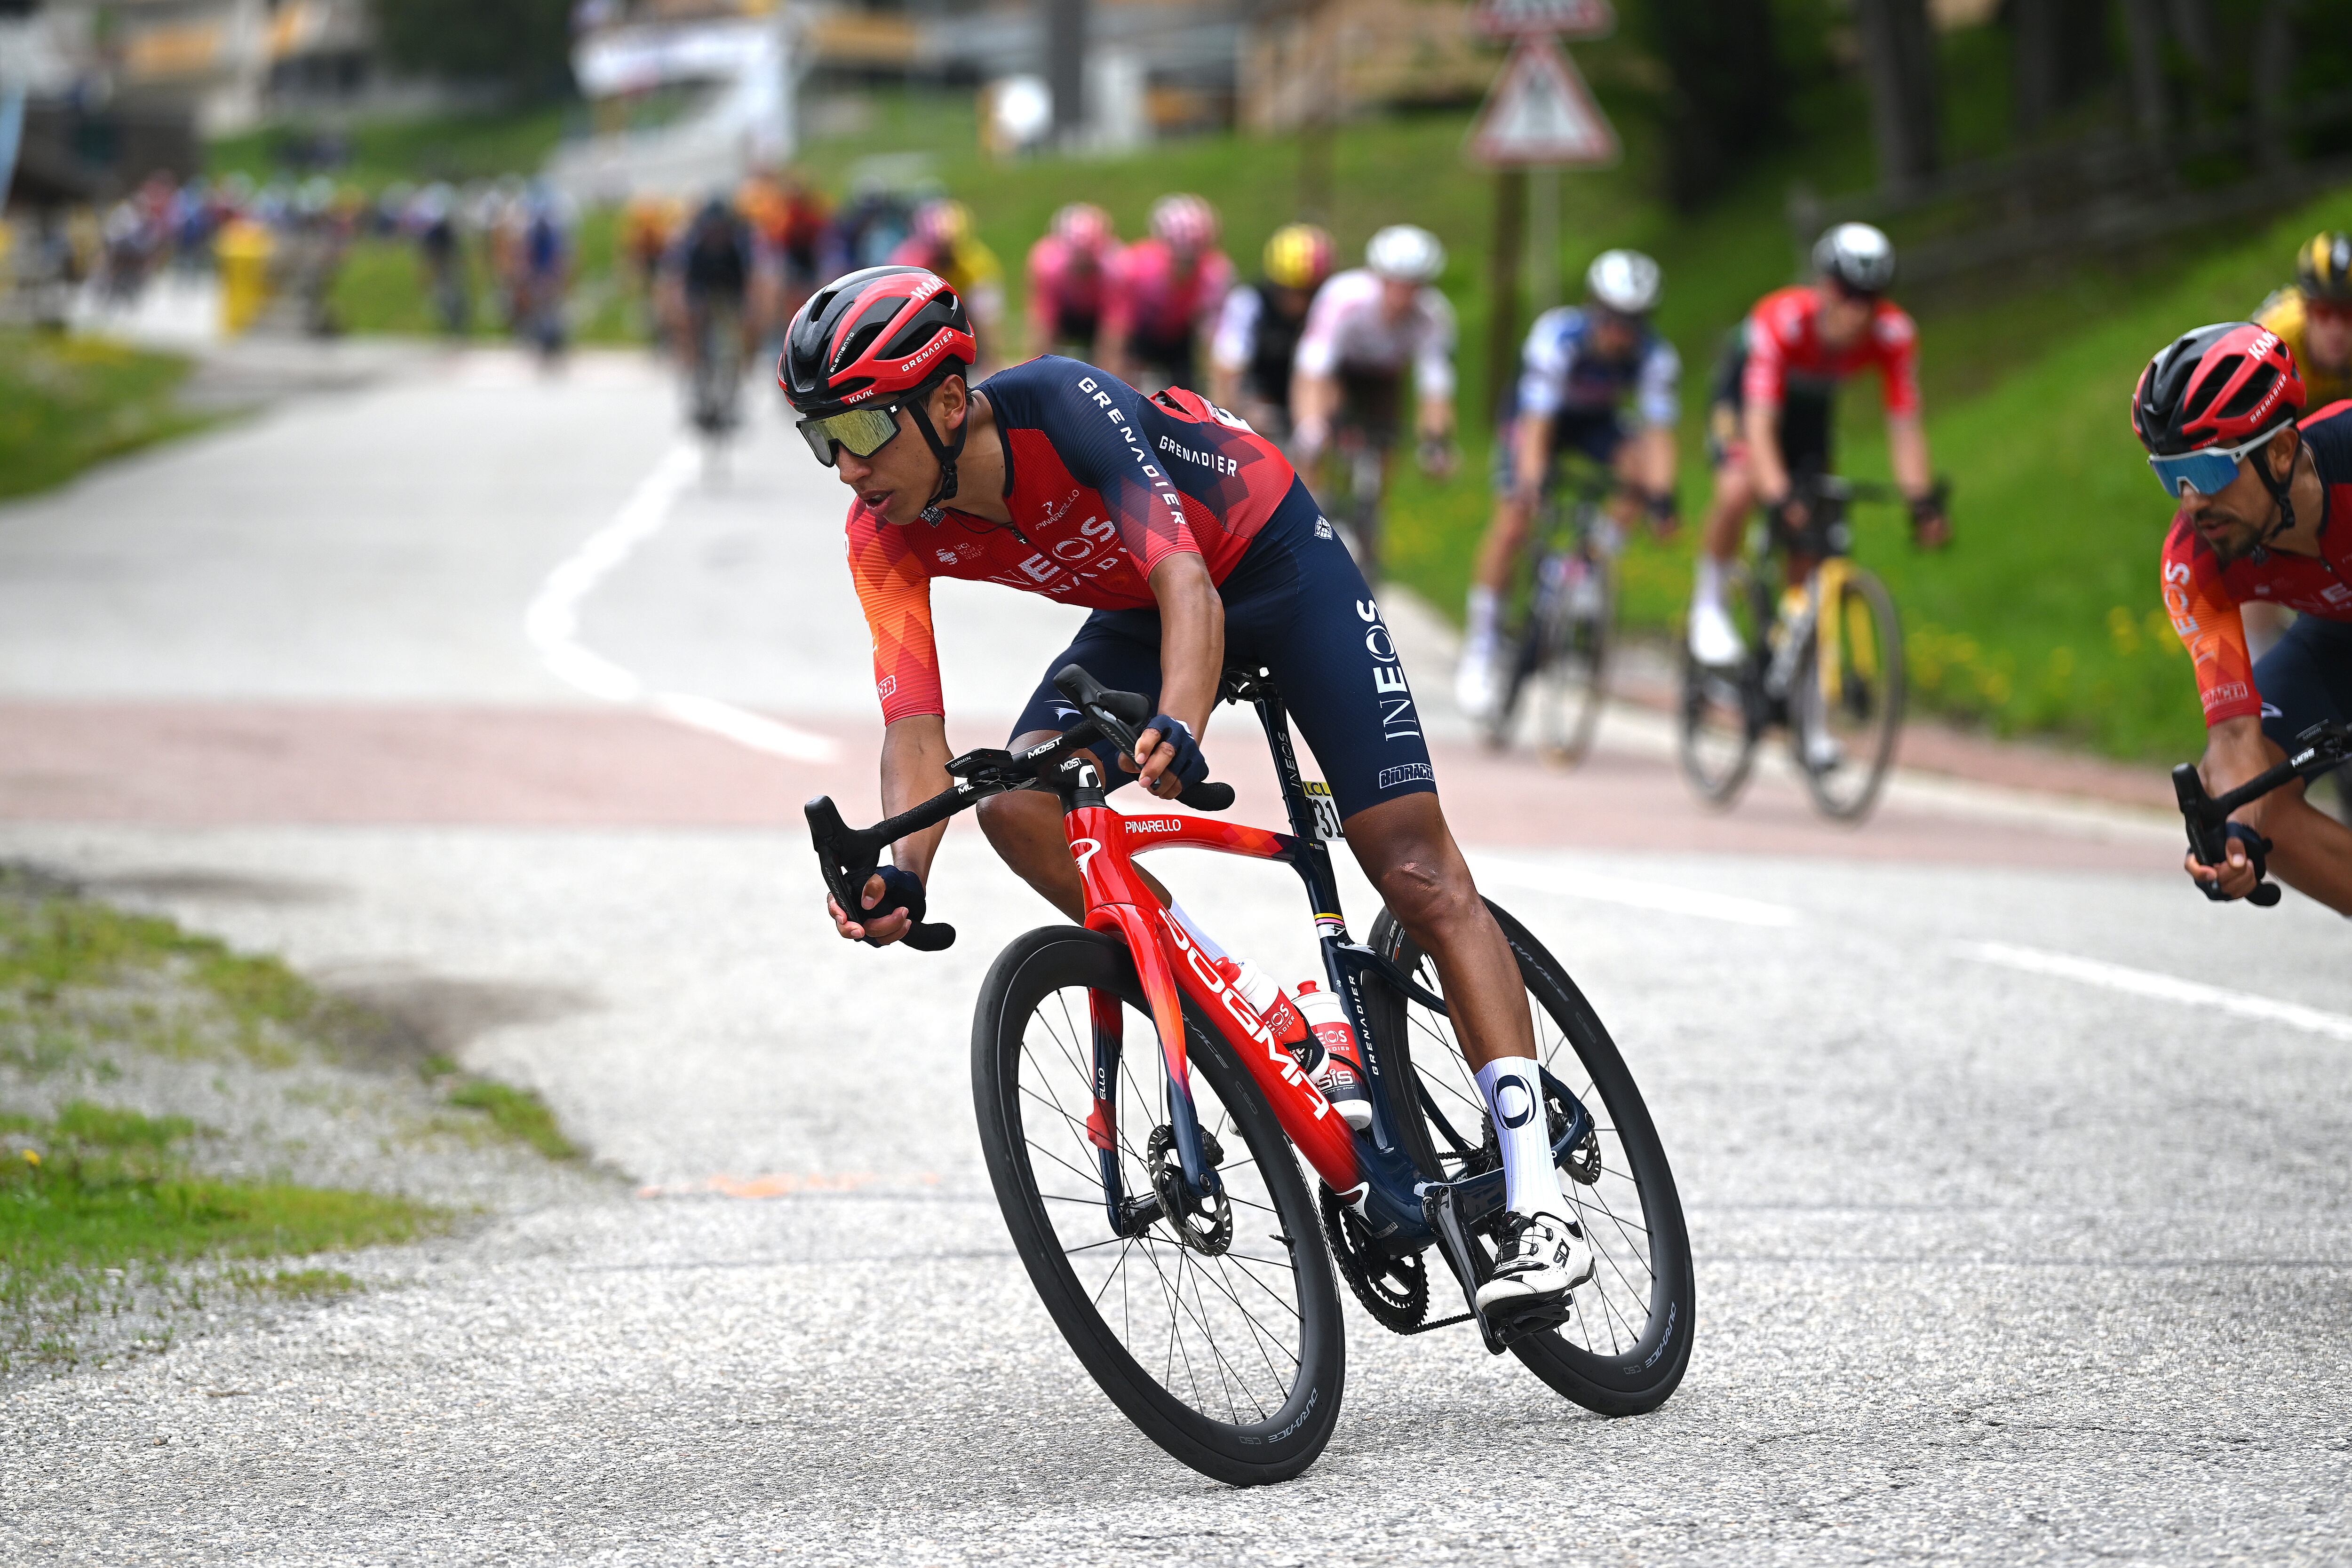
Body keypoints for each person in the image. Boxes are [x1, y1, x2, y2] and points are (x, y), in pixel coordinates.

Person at [784, 266, 1595, 1314]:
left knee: (1414, 870)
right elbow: (914, 726)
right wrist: (903, 868)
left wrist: (1180, 720)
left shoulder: (1064, 405)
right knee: (1018, 801)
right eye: (822, 438)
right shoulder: (881, 533)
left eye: (860, 429)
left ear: (946, 401)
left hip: (1272, 565)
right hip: (1139, 612)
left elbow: (1187, 581)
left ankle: (1541, 1209)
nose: (846, 467)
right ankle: (1272, 1020)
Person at [2135, 321, 2352, 913]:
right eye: (2171, 475)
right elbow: (2234, 736)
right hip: (2334, 640)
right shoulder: (2193, 561)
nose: (2191, 500)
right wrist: (2236, 836)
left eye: (2208, 471)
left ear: (2279, 452)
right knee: (2253, 799)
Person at [1688, 222, 1948, 667]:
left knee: (1812, 530)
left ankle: (1795, 656)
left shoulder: (1894, 335)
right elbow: (1759, 424)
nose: (1858, 311)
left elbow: (1905, 427)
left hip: (1810, 410)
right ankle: (1708, 605)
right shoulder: (1782, 321)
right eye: (1848, 293)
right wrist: (1778, 493)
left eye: (1870, 297)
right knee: (1739, 488)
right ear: (1824, 287)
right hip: (1746, 400)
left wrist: (1921, 501)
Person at [1454, 249, 1680, 716]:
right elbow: (1537, 424)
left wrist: (1662, 499)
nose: (1621, 331)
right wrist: (1531, 484)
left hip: (1595, 421)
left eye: (1633, 321)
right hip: (1538, 419)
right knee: (1514, 520)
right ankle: (1481, 643)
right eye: (1613, 317)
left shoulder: (1655, 356)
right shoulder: (1557, 338)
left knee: (1639, 476)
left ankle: (1584, 567)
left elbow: (1658, 434)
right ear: (1593, 307)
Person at [1289, 224, 1458, 580]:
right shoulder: (1344, 298)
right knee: (1315, 438)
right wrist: (1310, 427)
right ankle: (1308, 517)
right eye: (1395, 283)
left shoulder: (1433, 316)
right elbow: (1313, 371)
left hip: (1384, 378)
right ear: (1378, 278)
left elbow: (1435, 387)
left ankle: (1371, 528)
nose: (1403, 295)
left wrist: (1437, 443)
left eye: (1413, 286)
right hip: (1338, 373)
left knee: (1386, 449)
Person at [1208, 221, 1335, 442]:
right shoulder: (1248, 302)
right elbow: (1227, 368)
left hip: (1305, 390)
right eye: (1292, 291)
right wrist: (1236, 413)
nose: (1301, 303)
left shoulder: (1329, 308)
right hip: (1258, 389)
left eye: (1309, 292)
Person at [1099, 194, 1234, 393]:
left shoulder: (1215, 274)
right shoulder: (1135, 268)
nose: (1185, 264)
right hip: (1141, 331)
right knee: (1125, 385)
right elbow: (1116, 330)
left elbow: (1213, 337)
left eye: (1195, 252)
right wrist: (1108, 384)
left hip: (1181, 337)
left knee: (1188, 392)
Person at [658, 196, 764, 434]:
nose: (717, 235)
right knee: (691, 330)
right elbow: (678, 282)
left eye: (721, 230)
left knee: (736, 343)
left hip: (731, 290)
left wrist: (750, 320)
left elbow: (752, 283)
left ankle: (732, 397)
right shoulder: (692, 244)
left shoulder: (739, 244)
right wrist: (682, 319)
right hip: (701, 289)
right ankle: (698, 387)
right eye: (712, 230)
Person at [890, 198, 1004, 368]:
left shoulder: (977, 264)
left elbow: (987, 319)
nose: (944, 252)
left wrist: (992, 359)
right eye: (937, 246)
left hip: (963, 314)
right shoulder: (909, 261)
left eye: (950, 245)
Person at [1025, 202, 1121, 363]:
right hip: (1065, 313)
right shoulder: (1047, 265)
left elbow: (1114, 331)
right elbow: (1043, 326)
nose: (1082, 263)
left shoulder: (1116, 267)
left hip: (1097, 316)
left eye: (1088, 256)